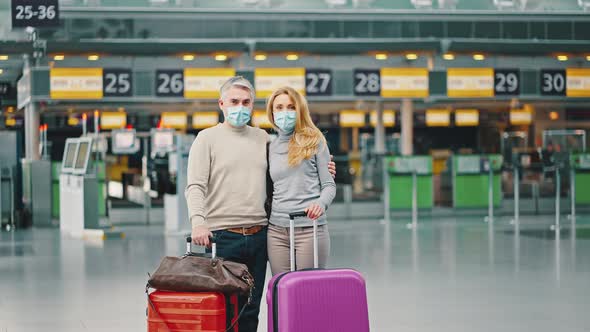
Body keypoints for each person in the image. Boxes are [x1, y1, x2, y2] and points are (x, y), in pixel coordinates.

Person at [185, 77, 335, 332]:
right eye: (234, 101)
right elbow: (195, 186)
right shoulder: (206, 139)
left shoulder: (264, 139)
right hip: (222, 235)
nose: (239, 107)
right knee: (224, 308)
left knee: (250, 309)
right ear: (221, 103)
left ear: (253, 106)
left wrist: (326, 165)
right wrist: (198, 222)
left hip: (259, 235)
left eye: (246, 102)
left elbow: (291, 166)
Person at [265, 86, 336, 276]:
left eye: (290, 107)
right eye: (279, 107)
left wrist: (321, 204)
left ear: (300, 111)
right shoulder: (269, 146)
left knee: (308, 291)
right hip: (276, 231)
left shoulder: (315, 141)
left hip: (310, 228)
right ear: (272, 111)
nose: (284, 112)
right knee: (281, 288)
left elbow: (329, 185)